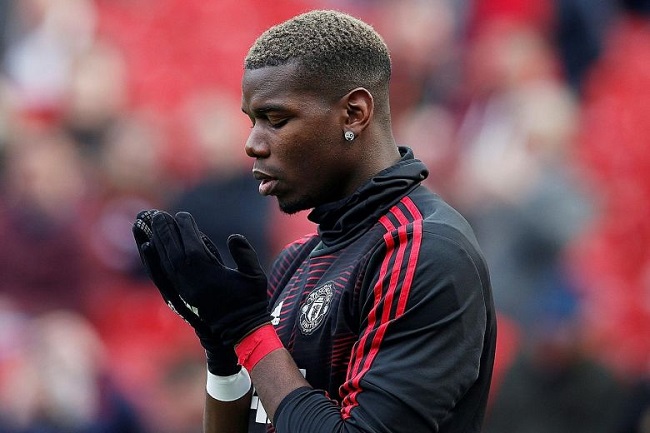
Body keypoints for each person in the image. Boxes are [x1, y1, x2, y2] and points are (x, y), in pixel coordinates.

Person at [132, 10, 496, 433]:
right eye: (252, 121)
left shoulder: (424, 250)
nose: (252, 144)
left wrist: (248, 330)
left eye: (276, 119)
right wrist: (223, 349)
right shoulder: (295, 261)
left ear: (354, 113)